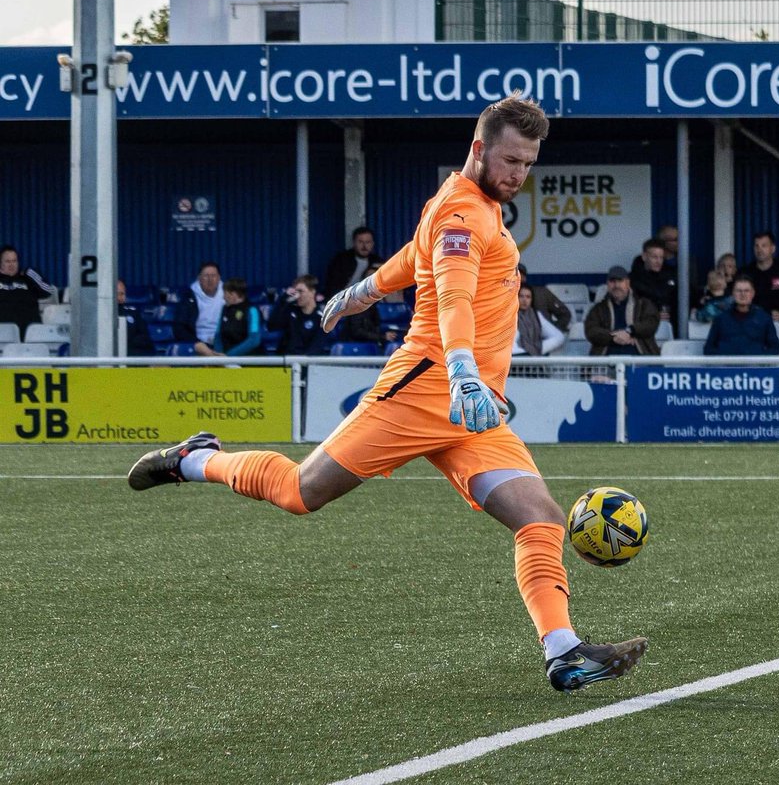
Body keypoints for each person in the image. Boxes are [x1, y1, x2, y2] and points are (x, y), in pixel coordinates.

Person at [127, 94, 646, 694]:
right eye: (510, 161)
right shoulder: (463, 215)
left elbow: (417, 254)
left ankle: (564, 654)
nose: (518, 175)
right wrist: (461, 369)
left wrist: (365, 290)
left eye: (528, 164)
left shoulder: (465, 205)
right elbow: (450, 293)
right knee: (301, 492)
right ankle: (194, 459)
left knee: (541, 519)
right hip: (428, 389)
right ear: (478, 149)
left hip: (470, 410)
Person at [583, 265, 660, 356]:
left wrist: (630, 331)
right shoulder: (598, 309)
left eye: (620, 281)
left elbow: (651, 324)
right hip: (606, 362)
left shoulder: (643, 304)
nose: (616, 285)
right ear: (607, 284)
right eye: (612, 281)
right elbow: (591, 331)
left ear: (628, 283)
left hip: (641, 360)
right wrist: (613, 337)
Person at [703, 277, 779, 356]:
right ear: (733, 293)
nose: (742, 294)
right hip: (727, 367)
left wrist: (760, 361)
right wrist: (725, 359)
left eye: (746, 291)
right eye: (738, 291)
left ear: (753, 293)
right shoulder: (720, 319)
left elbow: (775, 348)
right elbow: (708, 349)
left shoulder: (764, 319)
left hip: (755, 367)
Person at [737, 231, 779, 323]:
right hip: (750, 323)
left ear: (773, 248)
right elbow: (737, 298)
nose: (759, 250)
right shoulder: (745, 273)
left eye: (764, 245)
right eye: (756, 246)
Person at [339, 261, 401, 348]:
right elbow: (357, 332)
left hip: (371, 345)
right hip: (355, 348)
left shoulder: (373, 303)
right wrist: (382, 337)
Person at [195, 278, 263, 357]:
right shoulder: (225, 309)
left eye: (225, 293)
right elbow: (218, 335)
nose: (223, 297)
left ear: (233, 294)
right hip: (224, 358)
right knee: (199, 347)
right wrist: (218, 355)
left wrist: (229, 356)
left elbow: (254, 340)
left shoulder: (252, 311)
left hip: (246, 359)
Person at [267, 274, 331, 355]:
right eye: (295, 292)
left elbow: (316, 346)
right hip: (285, 361)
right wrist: (283, 300)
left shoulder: (322, 318)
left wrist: (301, 362)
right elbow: (271, 326)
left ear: (312, 292)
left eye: (301, 291)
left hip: (307, 363)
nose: (297, 296)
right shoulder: (290, 311)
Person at [0, 244, 53, 336]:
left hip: (31, 333)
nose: (12, 264)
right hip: (3, 333)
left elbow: (48, 291)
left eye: (14, 261)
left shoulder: (27, 278)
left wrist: (30, 273)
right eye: (8, 261)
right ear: (0, 263)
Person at [173, 262, 224, 350]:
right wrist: (196, 343)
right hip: (197, 343)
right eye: (206, 276)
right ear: (199, 278)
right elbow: (179, 327)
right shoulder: (188, 297)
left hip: (223, 341)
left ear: (219, 278)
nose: (210, 279)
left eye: (213, 276)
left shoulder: (228, 295)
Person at [324, 226, 383, 297]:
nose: (364, 246)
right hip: (343, 299)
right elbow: (333, 285)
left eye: (368, 242)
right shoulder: (341, 260)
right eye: (360, 242)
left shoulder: (376, 261)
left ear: (372, 244)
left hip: (367, 301)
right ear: (354, 242)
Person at [630, 237, 677, 321]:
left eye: (661, 257)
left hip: (671, 324)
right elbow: (628, 307)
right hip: (643, 326)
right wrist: (653, 315)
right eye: (654, 257)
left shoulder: (670, 275)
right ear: (644, 257)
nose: (659, 261)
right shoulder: (632, 279)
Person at [516, 263, 571, 332]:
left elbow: (565, 314)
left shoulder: (542, 293)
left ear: (524, 278)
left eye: (519, 275)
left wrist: (552, 330)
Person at [512, 284, 565, 356]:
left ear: (532, 300)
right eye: (521, 296)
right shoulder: (509, 315)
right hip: (515, 357)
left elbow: (559, 337)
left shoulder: (536, 315)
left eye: (528, 297)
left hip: (532, 355)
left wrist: (537, 348)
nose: (524, 300)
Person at [116, 279, 155, 357]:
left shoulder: (134, 314)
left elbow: (145, 338)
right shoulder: (100, 315)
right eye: (117, 294)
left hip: (131, 357)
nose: (119, 298)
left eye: (122, 294)